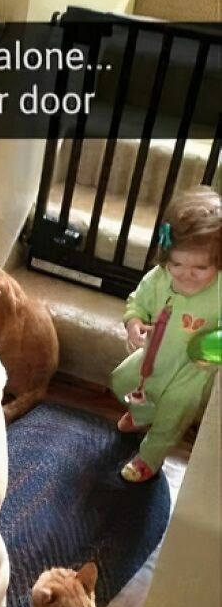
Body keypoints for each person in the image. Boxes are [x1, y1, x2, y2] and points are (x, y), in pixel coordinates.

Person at [111, 185, 221, 483]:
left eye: (201, 267)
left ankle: (150, 458)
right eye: (177, 264)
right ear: (166, 256)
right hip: (153, 355)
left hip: (191, 372)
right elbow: (138, 302)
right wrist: (134, 322)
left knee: (171, 416)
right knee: (121, 379)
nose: (187, 274)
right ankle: (142, 416)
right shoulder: (159, 279)